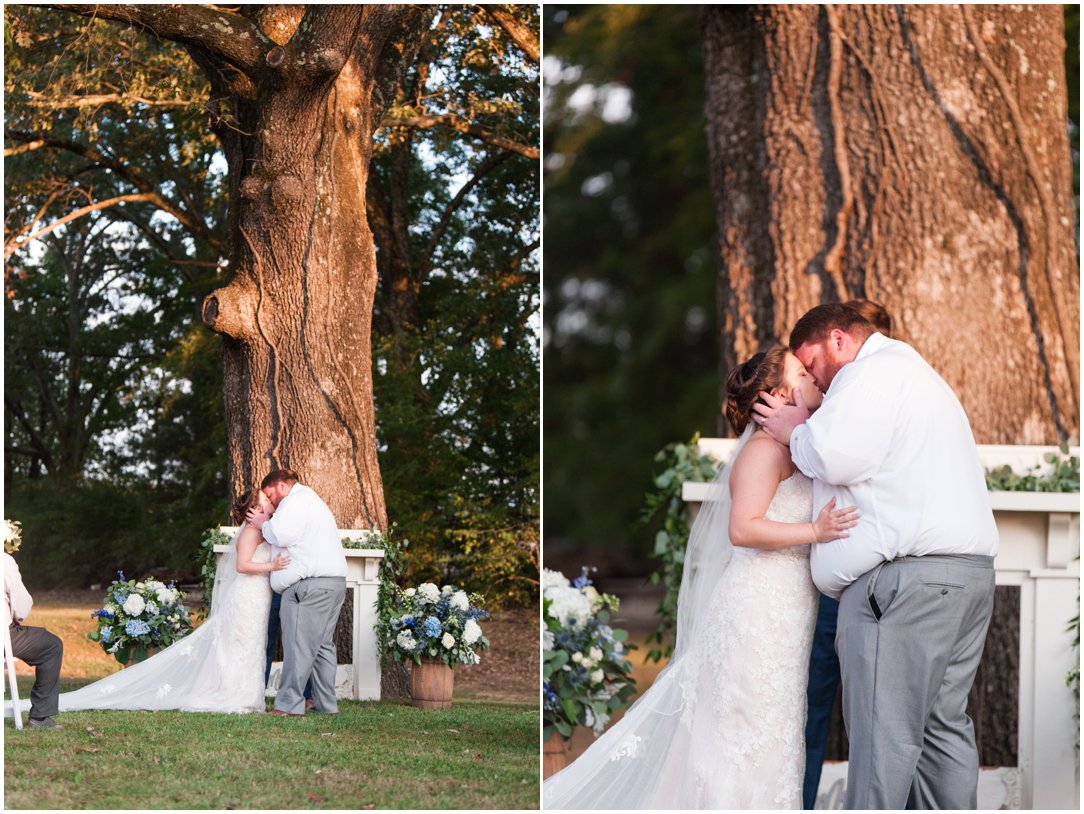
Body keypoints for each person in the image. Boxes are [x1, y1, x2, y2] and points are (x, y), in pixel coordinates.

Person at [543, 347, 859, 809]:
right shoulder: (763, 451)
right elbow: (742, 528)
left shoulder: (796, 445)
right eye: (802, 371)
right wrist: (816, 531)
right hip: (755, 613)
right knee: (740, 730)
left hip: (787, 613)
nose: (812, 375)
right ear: (779, 394)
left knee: (773, 731)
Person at [754, 302, 997, 810]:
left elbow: (837, 455)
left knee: (882, 738)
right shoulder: (914, 374)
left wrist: (791, 432)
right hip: (965, 579)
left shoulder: (869, 374)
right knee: (941, 732)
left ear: (838, 340)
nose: (814, 380)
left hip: (906, 589)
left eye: (811, 361)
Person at [16, 490, 291, 715]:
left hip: (256, 596)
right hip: (247, 596)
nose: (269, 502)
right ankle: (232, 696)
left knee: (251, 645)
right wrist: (273, 564)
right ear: (255, 508)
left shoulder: (260, 529)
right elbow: (242, 565)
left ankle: (245, 695)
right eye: (265, 501)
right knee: (241, 645)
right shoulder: (251, 533)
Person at [801, 298, 892, 808]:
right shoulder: (814, 408)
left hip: (882, 587)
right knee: (810, 708)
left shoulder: (889, 393)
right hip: (819, 593)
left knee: (879, 718)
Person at [246, 469, 347, 717]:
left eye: (270, 494)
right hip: (332, 584)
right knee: (323, 647)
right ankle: (326, 705)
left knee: (297, 647)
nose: (271, 501)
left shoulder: (296, 501)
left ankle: (288, 706)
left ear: (281, 486)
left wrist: (262, 523)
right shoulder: (310, 501)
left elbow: (281, 534)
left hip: (309, 588)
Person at [4, 551, 65, 729]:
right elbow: (22, 607)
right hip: (4, 638)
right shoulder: (4, 560)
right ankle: (40, 718)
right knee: (51, 646)